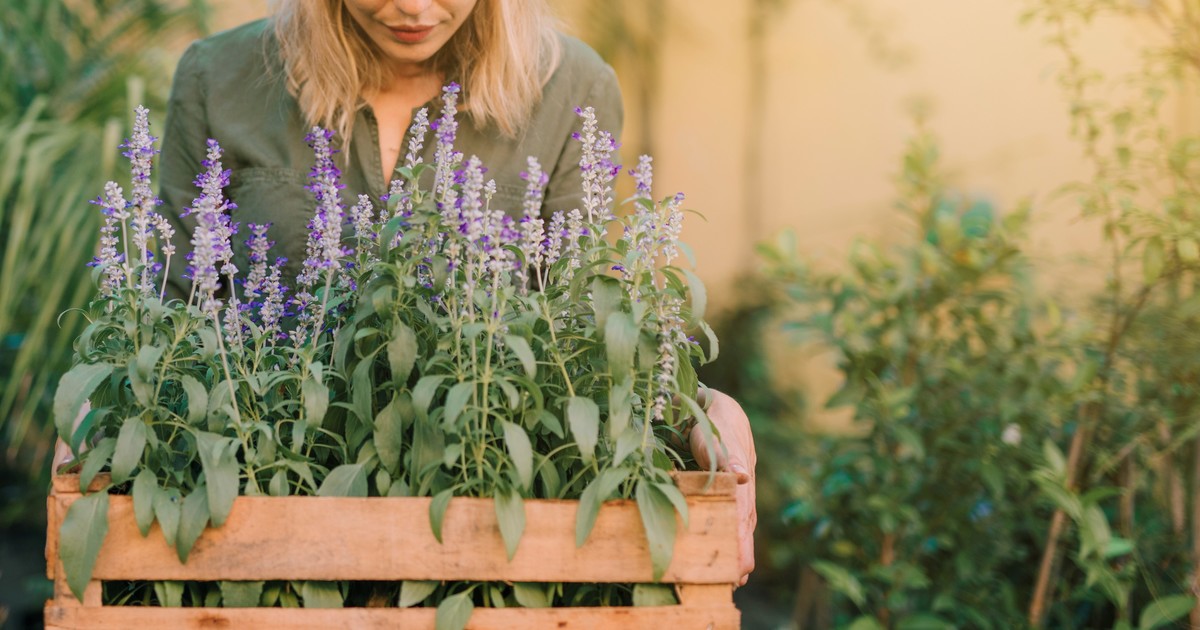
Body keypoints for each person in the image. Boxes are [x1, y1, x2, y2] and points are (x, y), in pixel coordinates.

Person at [155, 0, 757, 585]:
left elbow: (582, 332)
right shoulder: (220, 79)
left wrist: (695, 406)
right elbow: (174, 318)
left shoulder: (571, 86)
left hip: (483, 536)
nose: (413, 8)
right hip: (268, 530)